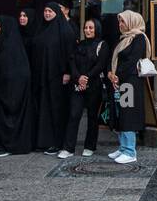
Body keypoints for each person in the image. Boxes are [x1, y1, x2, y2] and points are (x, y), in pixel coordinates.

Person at [0, 15, 34, 157]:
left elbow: (5, 69)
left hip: (9, 92)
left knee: (8, 118)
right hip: (0, 89)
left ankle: (7, 146)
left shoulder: (10, 48)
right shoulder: (2, 43)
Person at [107, 10, 149, 164]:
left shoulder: (139, 39)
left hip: (130, 83)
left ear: (132, 22)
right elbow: (116, 58)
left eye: (123, 21)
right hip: (121, 83)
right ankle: (123, 147)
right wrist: (111, 74)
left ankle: (130, 151)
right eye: (119, 22)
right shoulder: (124, 38)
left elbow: (132, 61)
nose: (120, 25)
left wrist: (117, 74)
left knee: (128, 115)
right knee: (121, 113)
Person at [62, 17, 106, 158]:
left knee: (92, 117)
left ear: (96, 29)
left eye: (91, 28)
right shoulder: (79, 45)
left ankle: (90, 146)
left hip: (94, 85)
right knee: (74, 115)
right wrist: (78, 78)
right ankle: (68, 148)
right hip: (77, 85)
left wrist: (86, 78)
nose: (87, 30)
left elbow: (100, 65)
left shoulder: (102, 45)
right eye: (86, 28)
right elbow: (72, 63)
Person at [31, 2, 71, 155]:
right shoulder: (41, 29)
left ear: (56, 13)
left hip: (57, 78)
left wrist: (67, 72)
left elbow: (69, 53)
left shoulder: (64, 30)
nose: (47, 14)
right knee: (43, 109)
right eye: (45, 11)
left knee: (55, 110)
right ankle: (43, 142)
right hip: (41, 77)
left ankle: (56, 142)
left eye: (50, 11)